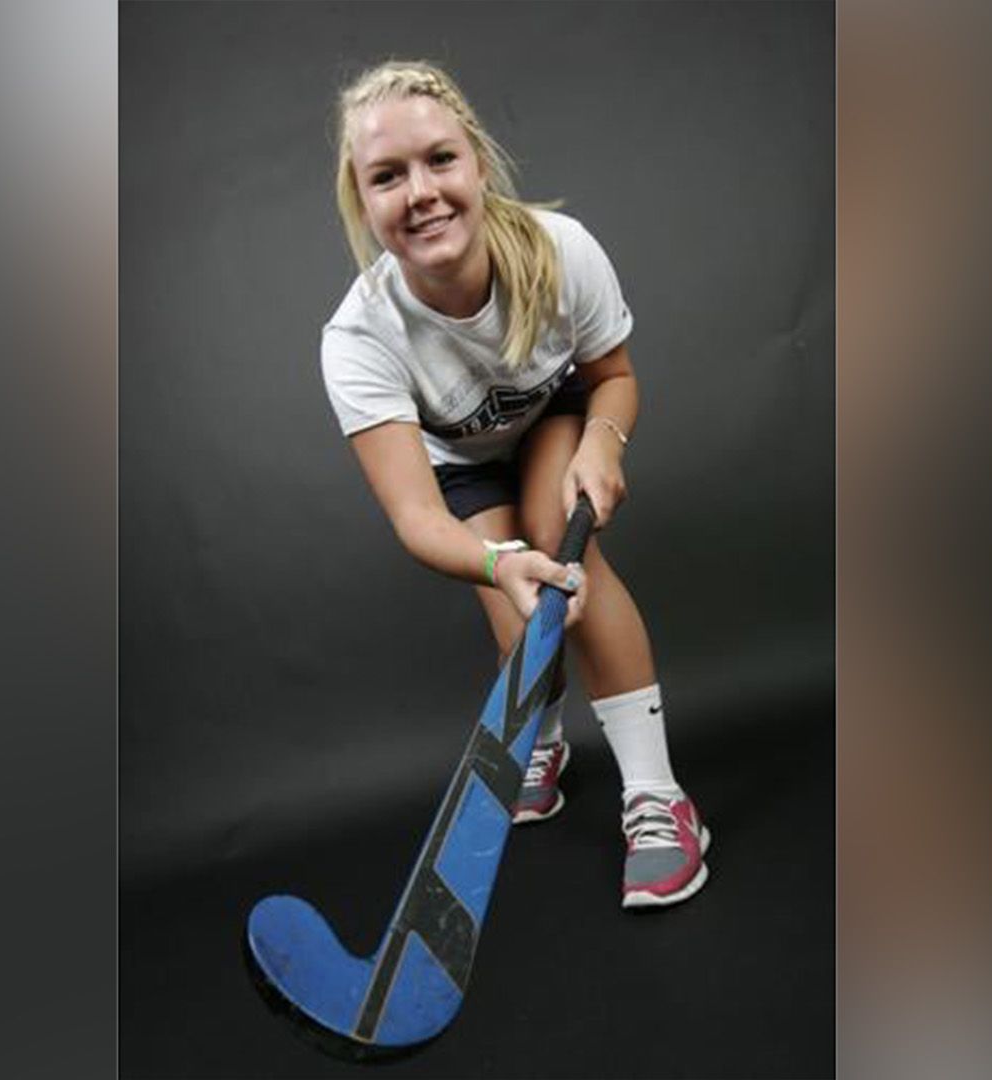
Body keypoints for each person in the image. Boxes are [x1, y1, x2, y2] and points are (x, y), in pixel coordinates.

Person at [319, 60, 710, 910]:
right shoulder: (358, 338)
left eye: (439, 160)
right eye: (387, 176)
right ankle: (544, 739)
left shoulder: (559, 251)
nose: (420, 192)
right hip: (460, 469)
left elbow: (615, 377)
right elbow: (418, 517)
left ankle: (657, 798)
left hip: (556, 425)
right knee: (524, 630)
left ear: (478, 164)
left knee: (566, 556)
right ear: (361, 199)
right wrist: (498, 566)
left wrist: (604, 444)